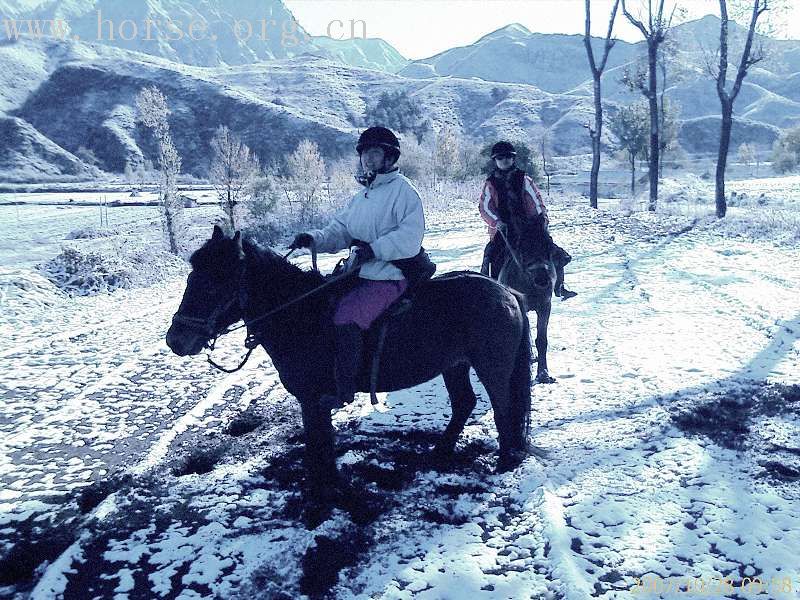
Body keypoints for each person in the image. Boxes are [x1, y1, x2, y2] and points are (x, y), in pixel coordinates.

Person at [291, 126, 425, 409]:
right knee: (319, 305)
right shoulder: (362, 196)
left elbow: (410, 238)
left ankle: (345, 388)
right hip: (360, 272)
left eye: (374, 154)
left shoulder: (404, 192)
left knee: (346, 316)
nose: (368, 160)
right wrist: (314, 238)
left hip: (390, 275)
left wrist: (374, 250)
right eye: (365, 154)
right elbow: (340, 229)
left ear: (389, 158)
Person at [478, 140, 577, 299]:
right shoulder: (490, 183)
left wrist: (542, 220)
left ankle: (559, 286)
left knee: (553, 250)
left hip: (529, 227)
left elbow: (537, 201)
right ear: (495, 161)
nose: (505, 160)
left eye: (508, 157)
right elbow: (485, 207)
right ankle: (490, 291)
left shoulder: (524, 179)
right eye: (500, 158)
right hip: (504, 229)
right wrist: (496, 223)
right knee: (491, 254)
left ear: (513, 159)